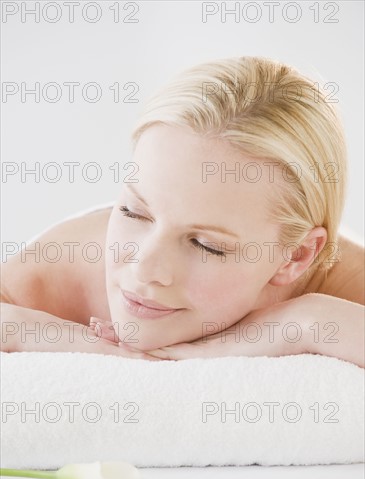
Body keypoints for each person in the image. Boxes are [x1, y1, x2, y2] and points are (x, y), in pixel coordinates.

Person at [1, 56, 364, 366]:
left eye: (206, 245)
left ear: (295, 257)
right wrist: (39, 333)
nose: (144, 268)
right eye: (133, 212)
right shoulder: (71, 266)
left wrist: (308, 321)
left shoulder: (345, 282)